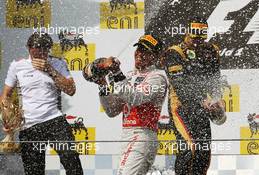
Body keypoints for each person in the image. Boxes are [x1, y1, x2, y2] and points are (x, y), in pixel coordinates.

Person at [83, 34, 167, 175]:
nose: (140, 53)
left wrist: (116, 71)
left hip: (143, 134)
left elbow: (135, 98)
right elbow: (112, 110)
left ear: (155, 56)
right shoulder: (129, 76)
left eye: (146, 51)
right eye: (139, 49)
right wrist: (102, 85)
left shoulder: (157, 77)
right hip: (127, 135)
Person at [0, 32, 83, 175]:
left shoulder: (58, 63)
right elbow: (5, 95)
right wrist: (7, 119)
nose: (42, 51)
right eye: (37, 47)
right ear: (28, 48)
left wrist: (49, 69)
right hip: (29, 125)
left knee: (72, 161)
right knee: (34, 171)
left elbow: (71, 90)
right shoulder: (17, 65)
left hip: (55, 121)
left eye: (46, 48)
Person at [161, 17, 226, 175]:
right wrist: (201, 100)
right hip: (181, 109)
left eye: (201, 38)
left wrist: (218, 100)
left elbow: (215, 80)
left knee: (203, 152)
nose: (197, 42)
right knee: (189, 148)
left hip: (202, 109)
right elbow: (180, 86)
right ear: (187, 33)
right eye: (194, 38)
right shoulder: (175, 52)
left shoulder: (211, 51)